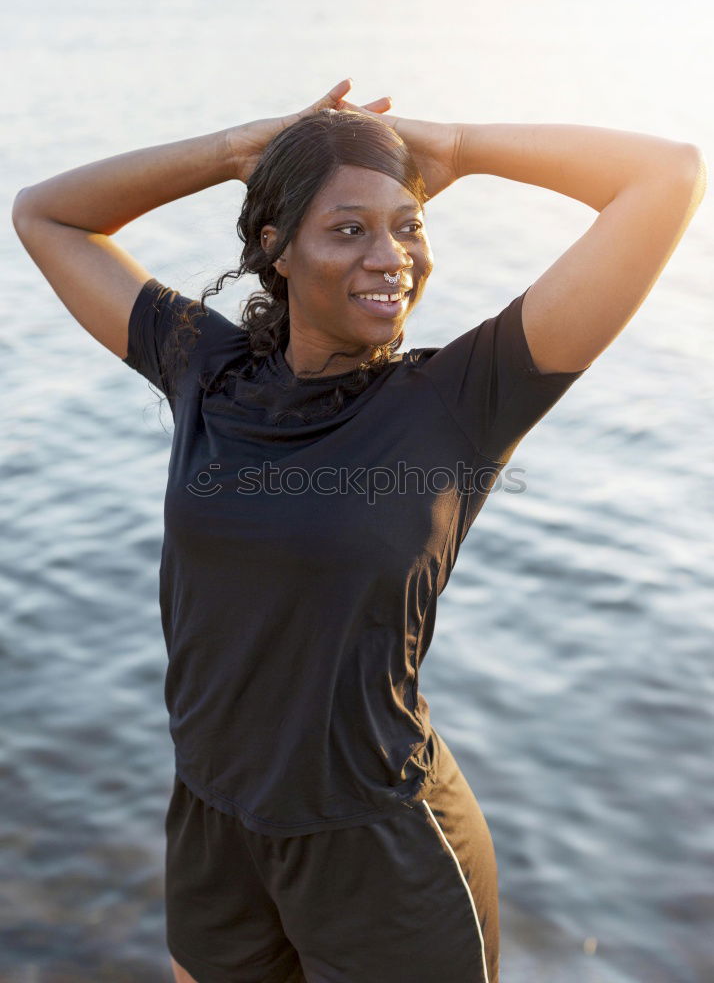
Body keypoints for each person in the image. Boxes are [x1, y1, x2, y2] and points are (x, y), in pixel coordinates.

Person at [12, 78, 705, 983]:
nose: (393, 257)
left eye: (408, 226)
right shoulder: (206, 370)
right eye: (349, 229)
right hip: (213, 822)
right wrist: (232, 152)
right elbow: (46, 216)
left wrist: (457, 145)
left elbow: (668, 176)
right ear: (277, 249)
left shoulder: (463, 399)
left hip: (382, 851)